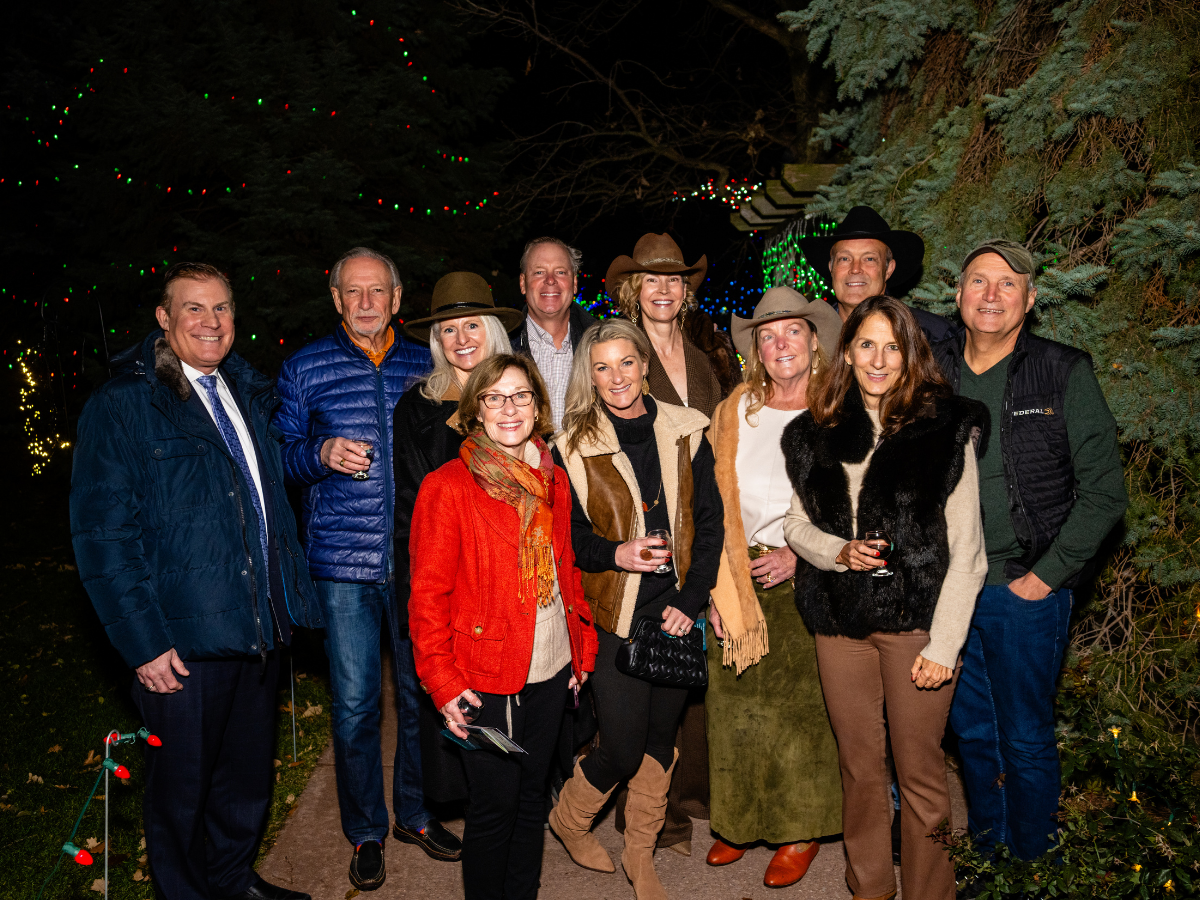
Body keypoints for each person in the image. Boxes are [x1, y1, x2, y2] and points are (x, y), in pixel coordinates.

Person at [70, 263, 319, 900]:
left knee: (244, 783)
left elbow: (262, 503)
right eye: (193, 309)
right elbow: (103, 538)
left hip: (256, 625)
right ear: (164, 318)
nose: (210, 323)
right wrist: (143, 643)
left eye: (222, 309)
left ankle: (233, 881)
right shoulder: (123, 405)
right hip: (179, 642)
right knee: (181, 792)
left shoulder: (246, 390)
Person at [782, 295, 987, 900]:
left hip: (916, 628)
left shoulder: (945, 428)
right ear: (846, 351)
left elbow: (969, 551)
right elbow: (795, 525)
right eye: (866, 344)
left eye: (891, 346)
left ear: (910, 354)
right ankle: (870, 889)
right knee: (860, 771)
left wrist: (946, 645)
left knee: (921, 776)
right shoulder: (813, 431)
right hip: (839, 626)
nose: (878, 359)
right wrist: (835, 551)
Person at [934, 240, 1127, 861]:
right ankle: (991, 858)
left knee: (1024, 737)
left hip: (1025, 590)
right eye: (978, 282)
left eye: (1008, 283)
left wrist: (1046, 578)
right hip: (950, 592)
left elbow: (1104, 495)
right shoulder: (932, 372)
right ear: (958, 295)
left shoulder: (1063, 369)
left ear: (1030, 298)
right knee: (972, 736)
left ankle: (1035, 865)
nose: (991, 295)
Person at [274, 248, 456, 892]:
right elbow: (281, 458)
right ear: (336, 299)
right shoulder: (305, 367)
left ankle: (414, 813)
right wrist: (319, 452)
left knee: (419, 694)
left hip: (414, 559)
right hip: (341, 564)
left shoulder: (425, 363)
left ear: (398, 299)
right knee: (354, 706)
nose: (366, 302)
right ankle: (365, 831)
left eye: (377, 291)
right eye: (353, 292)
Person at [408, 354, 598, 900]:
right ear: (475, 412)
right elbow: (426, 597)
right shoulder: (448, 487)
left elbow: (566, 570)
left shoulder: (552, 480)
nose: (509, 408)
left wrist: (581, 649)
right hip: (484, 675)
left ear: (538, 408)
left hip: (551, 664)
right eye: (494, 397)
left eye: (520, 396)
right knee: (494, 810)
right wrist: (442, 683)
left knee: (532, 799)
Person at [548, 319, 724, 900]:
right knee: (621, 746)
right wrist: (618, 552)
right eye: (602, 367)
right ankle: (570, 820)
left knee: (659, 741)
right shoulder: (572, 446)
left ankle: (640, 854)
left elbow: (711, 525)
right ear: (589, 377)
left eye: (627, 362)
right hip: (615, 614)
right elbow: (567, 539)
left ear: (645, 365)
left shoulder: (687, 430)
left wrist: (690, 599)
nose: (617, 377)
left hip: (673, 612)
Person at [703, 287, 844, 888]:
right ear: (756, 349)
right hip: (736, 573)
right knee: (734, 708)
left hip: (802, 575)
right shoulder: (736, 409)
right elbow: (710, 499)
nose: (780, 343)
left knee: (799, 714)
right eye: (768, 334)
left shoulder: (839, 411)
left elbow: (855, 503)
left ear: (815, 341)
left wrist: (801, 555)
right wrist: (713, 579)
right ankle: (738, 822)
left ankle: (798, 829)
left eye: (792, 331)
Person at [606, 232, 727, 853]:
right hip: (644, 545)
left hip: (703, 532)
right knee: (646, 677)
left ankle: (694, 795)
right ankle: (654, 818)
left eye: (674, 279)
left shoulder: (707, 357)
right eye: (651, 280)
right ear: (634, 290)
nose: (662, 289)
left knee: (692, 672)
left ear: (685, 291)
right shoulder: (617, 355)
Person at [393, 271, 521, 803]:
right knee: (455, 706)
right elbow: (408, 511)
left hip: (514, 582)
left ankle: (523, 795)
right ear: (436, 341)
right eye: (449, 329)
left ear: (493, 330)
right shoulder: (418, 408)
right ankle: (463, 807)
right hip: (453, 584)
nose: (462, 338)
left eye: (473, 325)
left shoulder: (519, 396)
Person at [800, 205, 954, 343]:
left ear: (888, 269)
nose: (855, 268)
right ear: (831, 267)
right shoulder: (806, 338)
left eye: (869, 259)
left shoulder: (932, 336)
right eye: (844, 258)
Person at [509, 236, 598, 430]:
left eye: (560, 272)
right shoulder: (502, 347)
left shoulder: (601, 344)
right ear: (523, 283)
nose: (550, 280)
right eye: (539, 272)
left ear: (574, 283)